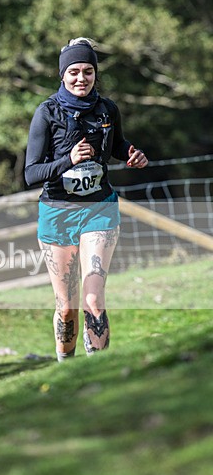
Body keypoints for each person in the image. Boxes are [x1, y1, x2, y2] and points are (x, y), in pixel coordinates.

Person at [24, 37, 148, 361]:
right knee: (66, 308)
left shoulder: (107, 109)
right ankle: (68, 370)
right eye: (74, 71)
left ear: (95, 74)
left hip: (99, 209)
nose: (82, 78)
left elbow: (117, 145)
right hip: (57, 213)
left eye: (88, 71)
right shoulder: (46, 113)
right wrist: (69, 161)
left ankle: (100, 373)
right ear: (62, 74)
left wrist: (131, 154)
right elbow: (31, 173)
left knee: (93, 299)